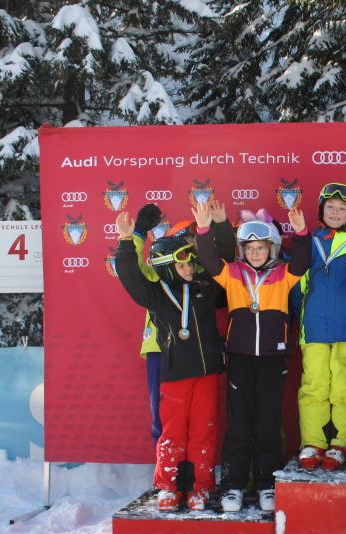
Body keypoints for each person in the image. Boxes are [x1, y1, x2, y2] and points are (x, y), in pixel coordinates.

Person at [193, 202, 311, 512]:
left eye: (261, 248)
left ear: (272, 249)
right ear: (242, 250)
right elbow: (208, 260)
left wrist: (301, 233)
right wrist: (203, 230)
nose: (256, 253)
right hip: (241, 358)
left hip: (272, 359)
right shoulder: (232, 274)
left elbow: (302, 261)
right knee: (239, 425)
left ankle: (266, 484)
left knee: (268, 424)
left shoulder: (283, 275)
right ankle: (233, 485)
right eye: (250, 248)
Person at [114, 210, 227, 512]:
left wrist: (213, 229)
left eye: (190, 263)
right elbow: (130, 275)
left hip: (207, 372)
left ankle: (200, 487)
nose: (189, 268)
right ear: (166, 268)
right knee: (173, 432)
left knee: (204, 429)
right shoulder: (157, 295)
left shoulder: (205, 288)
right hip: (175, 375)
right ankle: (168, 486)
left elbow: (224, 263)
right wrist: (126, 240)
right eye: (181, 264)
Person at [297, 183, 346, 471]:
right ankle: (312, 442)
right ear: (321, 210)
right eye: (330, 207)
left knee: (345, 387)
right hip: (314, 327)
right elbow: (297, 285)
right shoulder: (308, 243)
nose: (335, 213)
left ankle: (341, 443)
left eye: (342, 208)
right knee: (314, 386)